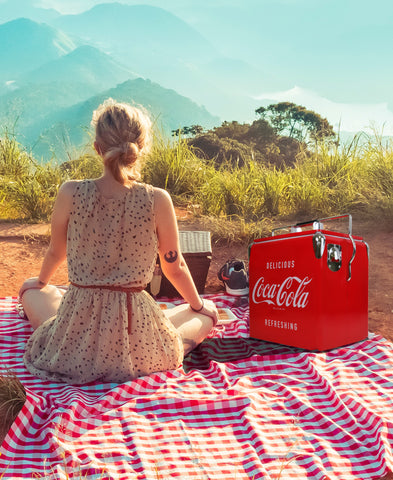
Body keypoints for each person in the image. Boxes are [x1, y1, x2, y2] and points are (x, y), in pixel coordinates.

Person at [19, 98, 218, 385]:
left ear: (97, 148)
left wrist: (40, 281)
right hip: (136, 331)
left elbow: (56, 251)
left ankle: (51, 304)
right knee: (202, 314)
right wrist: (199, 305)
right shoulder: (157, 199)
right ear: (140, 149)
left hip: (78, 330)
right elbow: (175, 267)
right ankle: (187, 323)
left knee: (33, 292)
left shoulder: (70, 192)